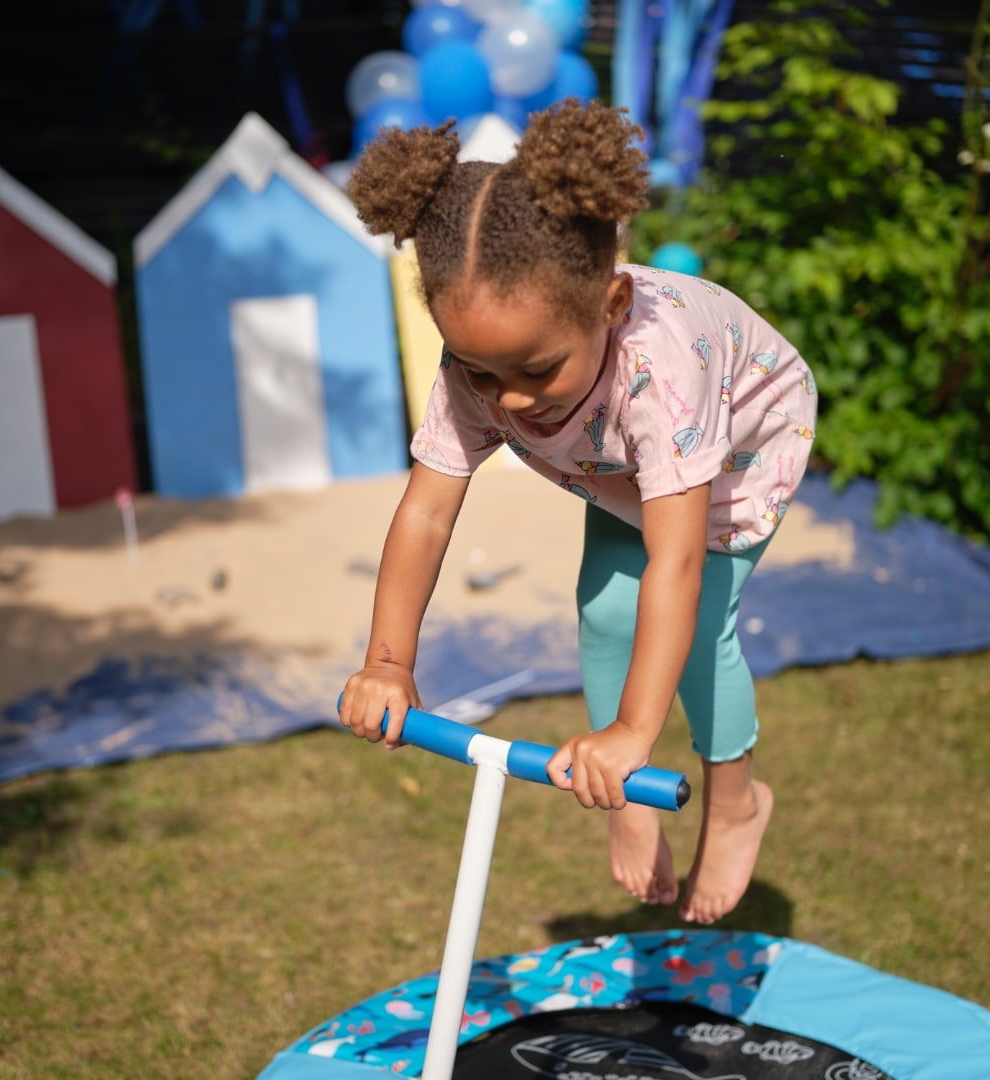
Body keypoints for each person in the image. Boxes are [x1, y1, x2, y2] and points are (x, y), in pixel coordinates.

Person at [338, 99, 817, 925]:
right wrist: (387, 660)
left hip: (741, 440)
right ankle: (625, 796)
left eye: (534, 368)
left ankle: (736, 801)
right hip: (617, 463)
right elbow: (425, 515)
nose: (509, 400)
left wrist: (638, 726)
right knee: (604, 608)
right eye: (480, 373)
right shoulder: (477, 369)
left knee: (699, 622)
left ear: (611, 304)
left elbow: (678, 561)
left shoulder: (658, 374)